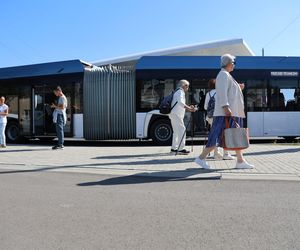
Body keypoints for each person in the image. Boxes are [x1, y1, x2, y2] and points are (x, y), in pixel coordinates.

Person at [195, 54, 254, 169]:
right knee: (216, 136)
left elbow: (228, 91)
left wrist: (238, 87)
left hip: (230, 112)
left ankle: (240, 161)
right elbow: (221, 92)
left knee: (236, 136)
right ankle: (201, 158)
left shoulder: (226, 75)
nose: (234, 65)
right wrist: (226, 107)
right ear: (228, 63)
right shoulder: (223, 74)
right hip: (225, 113)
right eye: (233, 62)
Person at [204, 79, 235, 160]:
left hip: (211, 117)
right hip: (221, 116)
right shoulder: (221, 93)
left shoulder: (208, 94)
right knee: (224, 135)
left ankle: (216, 153)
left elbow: (205, 107)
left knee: (215, 134)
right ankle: (226, 153)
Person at [169, 79, 197, 154]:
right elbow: (180, 103)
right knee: (182, 130)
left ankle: (174, 148)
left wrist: (188, 107)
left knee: (176, 132)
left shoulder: (176, 91)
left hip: (173, 114)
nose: (188, 89)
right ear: (185, 86)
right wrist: (190, 108)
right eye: (187, 87)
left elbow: (179, 103)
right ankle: (181, 149)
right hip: (177, 115)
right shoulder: (180, 92)